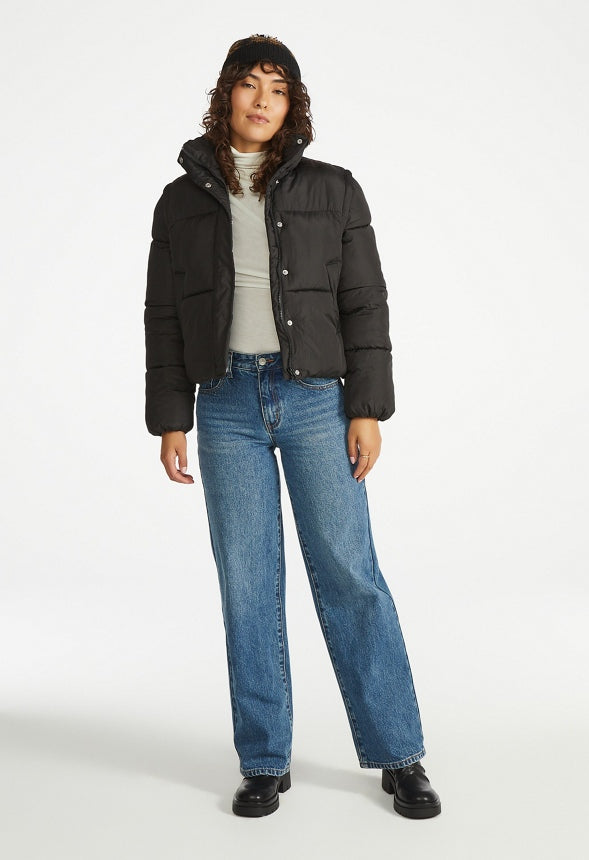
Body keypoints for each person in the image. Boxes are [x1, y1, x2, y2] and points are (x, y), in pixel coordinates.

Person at [144, 33, 441, 820]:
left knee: (349, 575)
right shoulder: (178, 202)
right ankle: (263, 761)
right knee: (247, 584)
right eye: (250, 84)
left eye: (278, 89)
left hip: (314, 402)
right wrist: (171, 418)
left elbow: (364, 304)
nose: (263, 100)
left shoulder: (333, 189)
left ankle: (399, 754)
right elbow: (163, 317)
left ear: (292, 104)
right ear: (226, 95)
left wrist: (365, 407)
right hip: (224, 405)